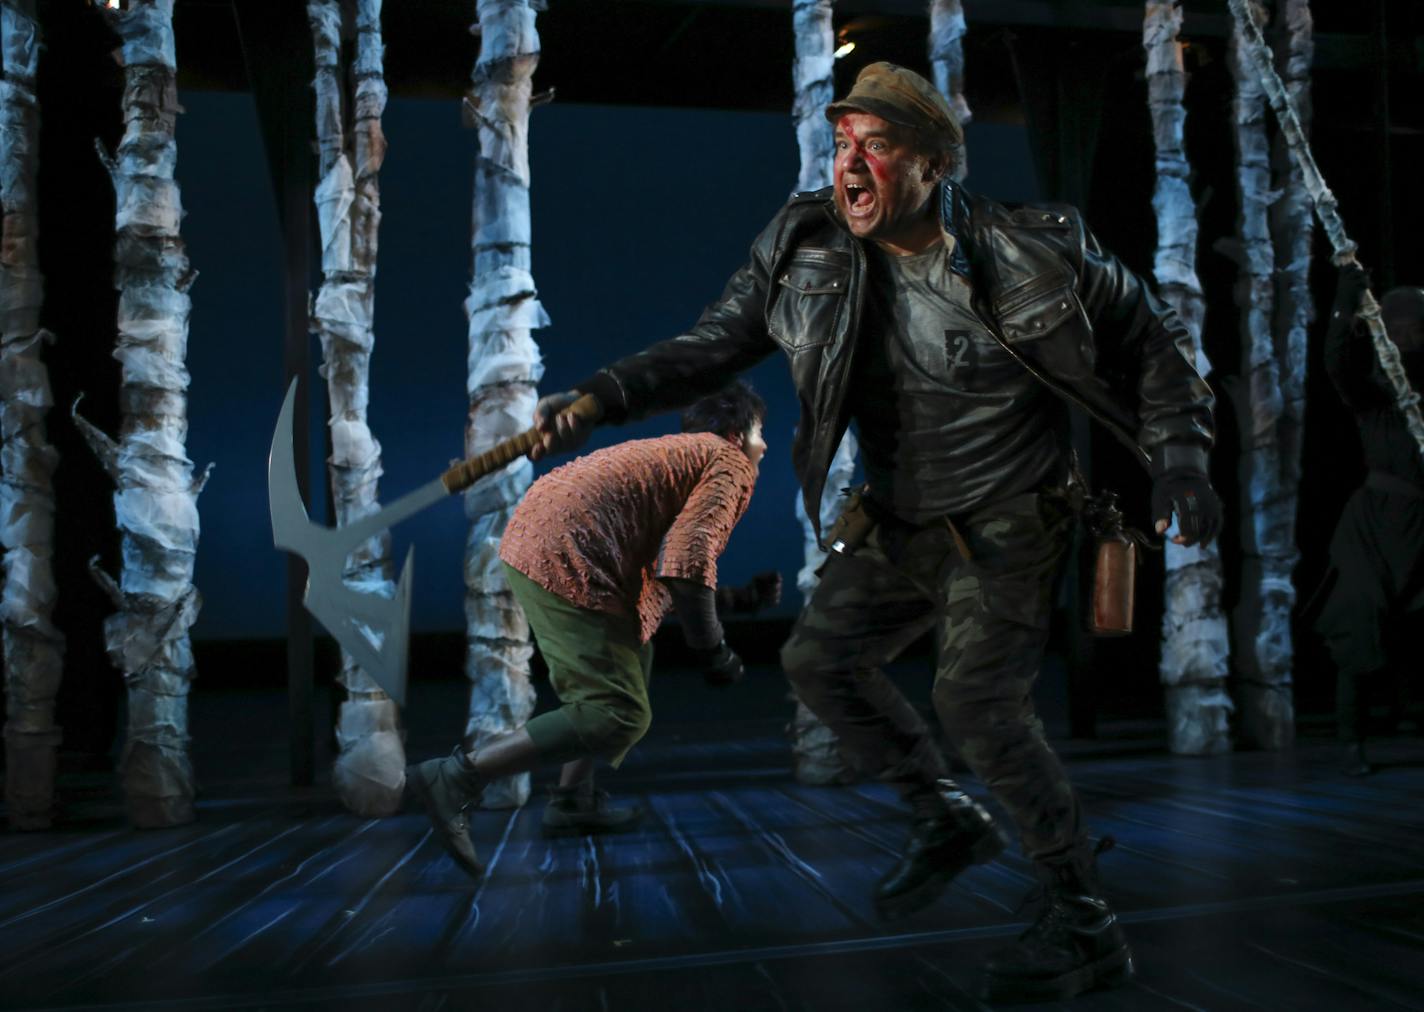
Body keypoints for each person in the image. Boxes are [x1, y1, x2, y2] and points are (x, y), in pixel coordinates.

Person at [527, 62, 1220, 1003]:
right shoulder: (803, 244)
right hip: (897, 518)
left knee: (977, 705)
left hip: (1013, 517)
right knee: (820, 663)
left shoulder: (1034, 249)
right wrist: (604, 393)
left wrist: (1179, 455)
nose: (850, 165)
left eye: (877, 146)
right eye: (844, 142)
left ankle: (1082, 916)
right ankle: (944, 816)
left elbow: (1152, 341)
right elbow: (713, 344)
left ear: (935, 163)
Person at [407, 382, 777, 861]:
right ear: (736, 432)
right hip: (568, 551)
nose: (763, 445)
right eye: (760, 431)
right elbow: (687, 560)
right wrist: (714, 650)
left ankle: (571, 802)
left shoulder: (676, 458)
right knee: (619, 712)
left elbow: (667, 580)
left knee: (630, 658)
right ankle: (457, 775)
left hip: (542, 538)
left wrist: (739, 600)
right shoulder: (728, 462)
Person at [1315, 268, 1424, 776]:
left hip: (1420, 525)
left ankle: (1408, 715)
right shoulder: (1378, 395)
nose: (1406, 338)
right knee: (1357, 621)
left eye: (1414, 330)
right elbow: (1338, 365)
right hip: (1373, 526)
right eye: (1397, 329)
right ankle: (1350, 740)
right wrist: (1345, 304)